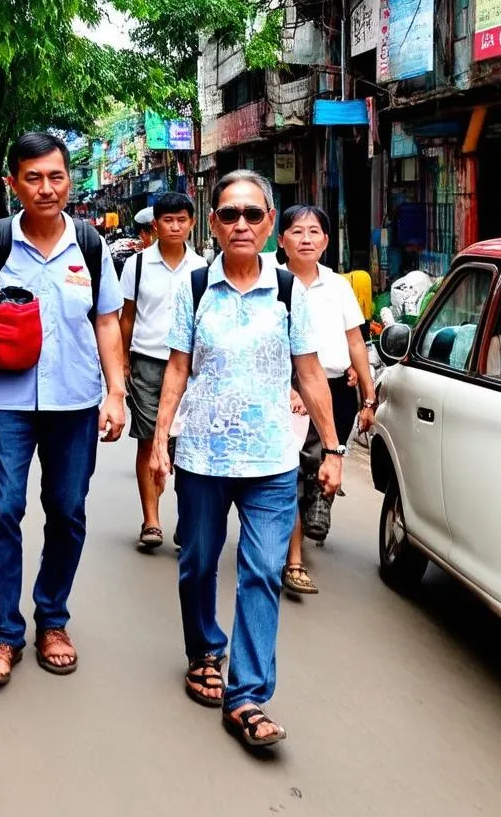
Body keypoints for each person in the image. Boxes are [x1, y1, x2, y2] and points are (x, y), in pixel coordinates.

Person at [150, 171, 343, 750]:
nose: (241, 224)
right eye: (229, 214)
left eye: (253, 215)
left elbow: (309, 374)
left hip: (272, 461)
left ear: (268, 223)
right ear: (213, 223)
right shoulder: (195, 288)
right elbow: (178, 369)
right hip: (204, 456)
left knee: (261, 571)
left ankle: (249, 694)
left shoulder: (290, 293)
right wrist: (161, 441)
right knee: (198, 563)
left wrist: (333, 448)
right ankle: (205, 649)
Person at [0, 132, 125, 688]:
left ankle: (52, 619)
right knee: (1, 510)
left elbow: (106, 323)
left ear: (69, 181)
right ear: (13, 184)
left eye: (55, 177)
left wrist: (117, 394)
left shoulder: (91, 246)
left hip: (76, 401)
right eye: (33, 178)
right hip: (5, 401)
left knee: (68, 510)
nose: (46, 188)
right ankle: (3, 632)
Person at [278, 206, 375, 596]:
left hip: (334, 388)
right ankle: (293, 558)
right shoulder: (270, 278)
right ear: (281, 237)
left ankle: (318, 507)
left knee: (323, 460)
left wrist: (368, 395)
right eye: (297, 231)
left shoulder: (337, 286)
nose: (305, 239)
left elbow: (355, 340)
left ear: (326, 241)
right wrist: (288, 388)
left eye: (314, 231)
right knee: (289, 470)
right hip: (284, 386)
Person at [119, 192, 206, 551]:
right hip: (146, 361)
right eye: (167, 220)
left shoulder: (203, 268)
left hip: (191, 367)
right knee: (148, 440)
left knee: (187, 446)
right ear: (156, 224)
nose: (175, 226)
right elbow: (126, 317)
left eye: (181, 219)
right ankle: (151, 520)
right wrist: (121, 362)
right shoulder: (136, 266)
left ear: (192, 222)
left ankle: (187, 521)